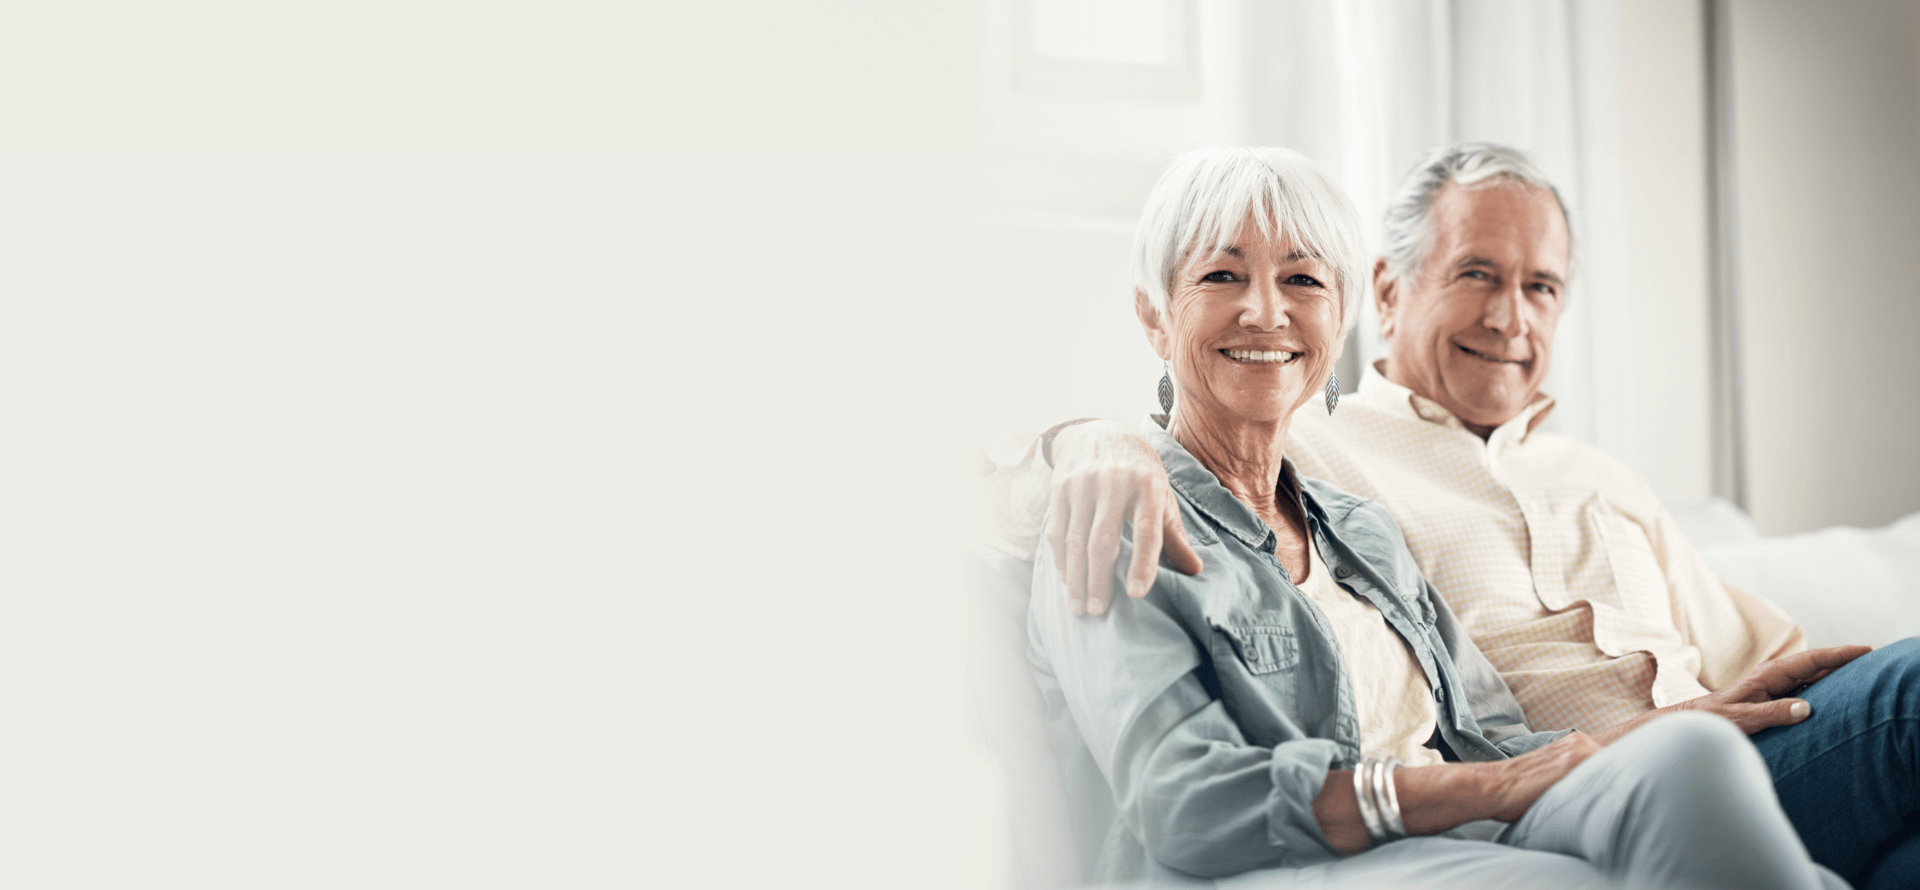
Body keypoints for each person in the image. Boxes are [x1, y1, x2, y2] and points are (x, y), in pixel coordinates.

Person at [987, 143, 1920, 887]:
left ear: (1342, 310)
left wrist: (1682, 725)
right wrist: (1092, 440)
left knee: (1701, 766)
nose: (1267, 311)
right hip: (1304, 850)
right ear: (1154, 317)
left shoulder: (1357, 526)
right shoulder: (1135, 501)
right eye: (1222, 275)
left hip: (1490, 805)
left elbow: (1499, 740)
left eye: (1305, 281)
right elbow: (1189, 803)